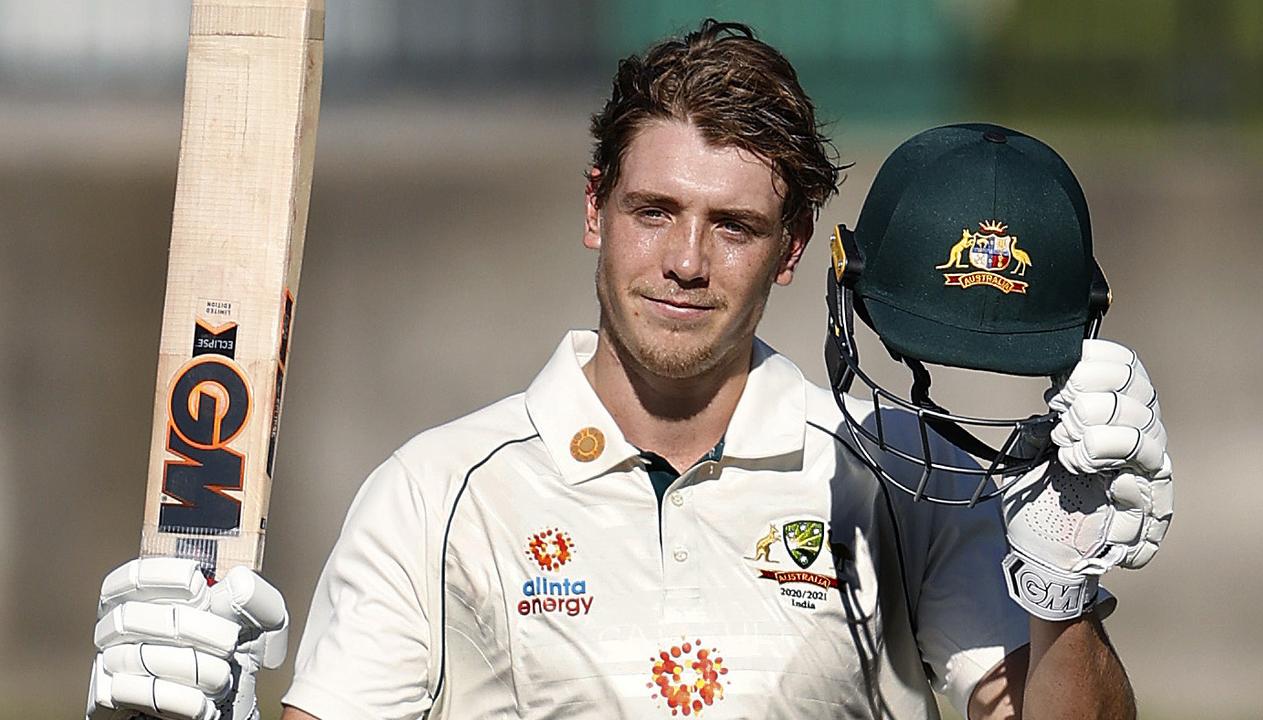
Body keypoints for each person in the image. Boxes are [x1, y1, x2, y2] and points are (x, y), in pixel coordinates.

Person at [87, 19, 1172, 720]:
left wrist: (1060, 592)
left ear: (792, 251)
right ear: (595, 209)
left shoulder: (898, 473)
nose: (686, 262)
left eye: (734, 227)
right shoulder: (438, 491)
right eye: (655, 211)